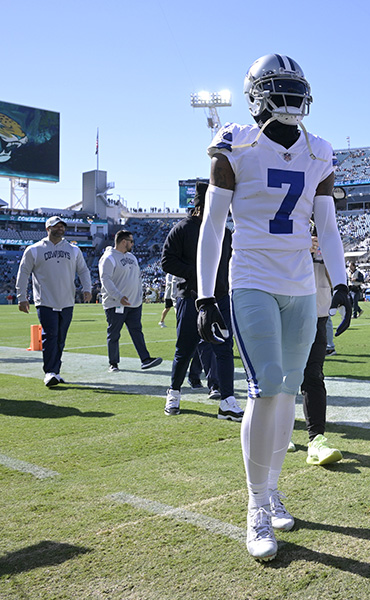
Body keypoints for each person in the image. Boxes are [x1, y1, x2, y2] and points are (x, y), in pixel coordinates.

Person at [195, 53, 351, 562]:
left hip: (302, 285)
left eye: (293, 86)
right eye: (277, 86)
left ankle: (272, 487)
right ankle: (256, 504)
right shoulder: (235, 143)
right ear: (256, 93)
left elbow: (325, 226)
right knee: (265, 389)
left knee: (288, 393)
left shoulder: (319, 150)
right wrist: (204, 292)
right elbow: (214, 225)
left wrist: (343, 282)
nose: (287, 96)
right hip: (254, 278)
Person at [161, 182, 241, 422]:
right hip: (191, 298)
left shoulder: (225, 232)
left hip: (221, 297)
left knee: (225, 349)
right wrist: (197, 273)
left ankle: (227, 400)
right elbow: (167, 261)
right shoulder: (183, 228)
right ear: (201, 204)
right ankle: (174, 393)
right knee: (184, 349)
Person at [16, 216, 92, 387]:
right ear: (47, 229)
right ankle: (49, 371)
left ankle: (55, 372)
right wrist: (22, 298)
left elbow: (84, 271)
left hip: (67, 301)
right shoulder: (34, 250)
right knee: (50, 336)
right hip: (45, 301)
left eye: (62, 226)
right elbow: (23, 274)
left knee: (60, 338)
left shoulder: (74, 250)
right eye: (56, 226)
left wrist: (87, 288)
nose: (60, 228)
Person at [297, 230, 343, 465]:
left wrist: (322, 252)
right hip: (287, 311)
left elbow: (336, 276)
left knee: (313, 375)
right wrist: (299, 248)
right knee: (280, 376)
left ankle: (316, 439)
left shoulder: (328, 237)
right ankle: (276, 431)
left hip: (318, 313)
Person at [99, 230, 163, 372]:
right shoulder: (108, 257)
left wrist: (139, 296)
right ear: (123, 241)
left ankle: (145, 359)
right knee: (114, 333)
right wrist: (118, 296)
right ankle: (113, 363)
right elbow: (105, 279)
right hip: (116, 303)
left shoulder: (132, 257)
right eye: (131, 241)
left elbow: (136, 278)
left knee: (137, 332)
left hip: (134, 303)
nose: (133, 244)